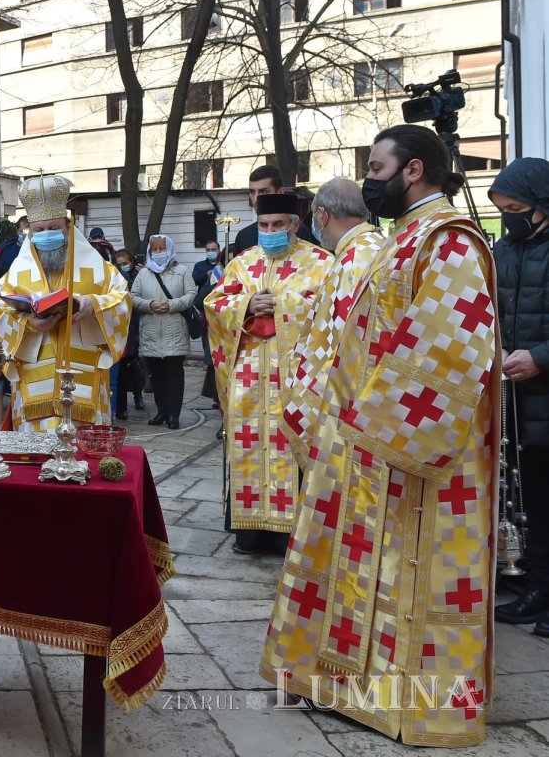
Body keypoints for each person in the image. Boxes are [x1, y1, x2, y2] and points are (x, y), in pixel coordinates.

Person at [261, 125, 499, 746]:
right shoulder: (401, 237)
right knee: (359, 572)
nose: (370, 179)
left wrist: (376, 426)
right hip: (365, 436)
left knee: (412, 576)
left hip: (413, 446)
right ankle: (351, 686)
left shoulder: (449, 240)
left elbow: (453, 347)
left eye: (376, 166)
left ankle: (413, 705)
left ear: (413, 170)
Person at [204, 193, 332, 555]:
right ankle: (251, 535)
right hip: (248, 375)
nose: (270, 231)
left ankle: (292, 535)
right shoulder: (243, 262)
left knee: (291, 446)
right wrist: (246, 305)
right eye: (264, 225)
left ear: (295, 224)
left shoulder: (321, 262)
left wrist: (285, 306)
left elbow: (333, 314)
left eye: (278, 225)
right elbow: (215, 304)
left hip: (295, 377)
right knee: (249, 447)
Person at [0, 175, 130, 432]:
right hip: (34, 373)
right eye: (39, 230)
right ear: (29, 232)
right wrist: (30, 323)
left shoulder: (99, 268)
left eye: (54, 228)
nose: (47, 234)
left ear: (67, 227)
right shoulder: (16, 272)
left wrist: (92, 305)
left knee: (82, 445)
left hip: (83, 371)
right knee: (36, 447)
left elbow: (121, 300)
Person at [282, 177, 383, 470]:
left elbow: (341, 341)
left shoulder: (353, 261)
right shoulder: (377, 245)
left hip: (349, 406)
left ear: (322, 216)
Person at [489, 157, 549, 635]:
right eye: (502, 208)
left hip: (545, 387)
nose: (510, 217)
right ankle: (537, 589)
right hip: (519, 403)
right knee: (533, 500)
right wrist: (499, 347)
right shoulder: (504, 251)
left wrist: (541, 357)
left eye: (516, 207)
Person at [130, 235, 196, 429]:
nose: (159, 253)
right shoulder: (144, 274)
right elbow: (133, 297)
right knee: (156, 376)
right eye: (155, 250)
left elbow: (191, 295)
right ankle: (161, 411)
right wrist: (150, 305)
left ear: (170, 249)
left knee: (174, 375)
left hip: (175, 330)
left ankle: (174, 414)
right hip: (151, 332)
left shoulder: (182, 271)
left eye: (162, 249)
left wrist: (171, 305)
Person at [112, 249, 145, 419]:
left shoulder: (140, 275)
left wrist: (142, 274)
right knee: (121, 371)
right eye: (119, 264)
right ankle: (120, 407)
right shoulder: (114, 278)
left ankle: (138, 395)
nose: (123, 266)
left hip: (135, 327)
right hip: (121, 328)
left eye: (126, 263)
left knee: (136, 367)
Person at [193, 239, 224, 409]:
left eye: (213, 249)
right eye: (208, 249)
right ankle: (215, 396)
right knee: (212, 357)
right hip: (209, 317)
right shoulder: (201, 266)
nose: (211, 252)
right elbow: (195, 282)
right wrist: (208, 277)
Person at [231, 165, 282, 256]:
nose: (255, 199)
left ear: (280, 193)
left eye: (264, 192)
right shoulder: (244, 236)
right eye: (252, 192)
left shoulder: (298, 233)